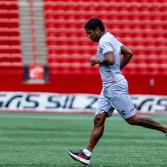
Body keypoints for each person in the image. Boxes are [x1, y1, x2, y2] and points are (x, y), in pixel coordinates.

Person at [68, 18, 167, 165]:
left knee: (132, 119)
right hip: (109, 86)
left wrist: (97, 59)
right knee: (98, 119)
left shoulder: (104, 41)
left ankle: (165, 129)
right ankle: (86, 154)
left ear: (97, 30)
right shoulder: (110, 37)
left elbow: (110, 59)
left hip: (114, 86)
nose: (88, 36)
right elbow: (129, 53)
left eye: (89, 33)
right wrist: (117, 71)